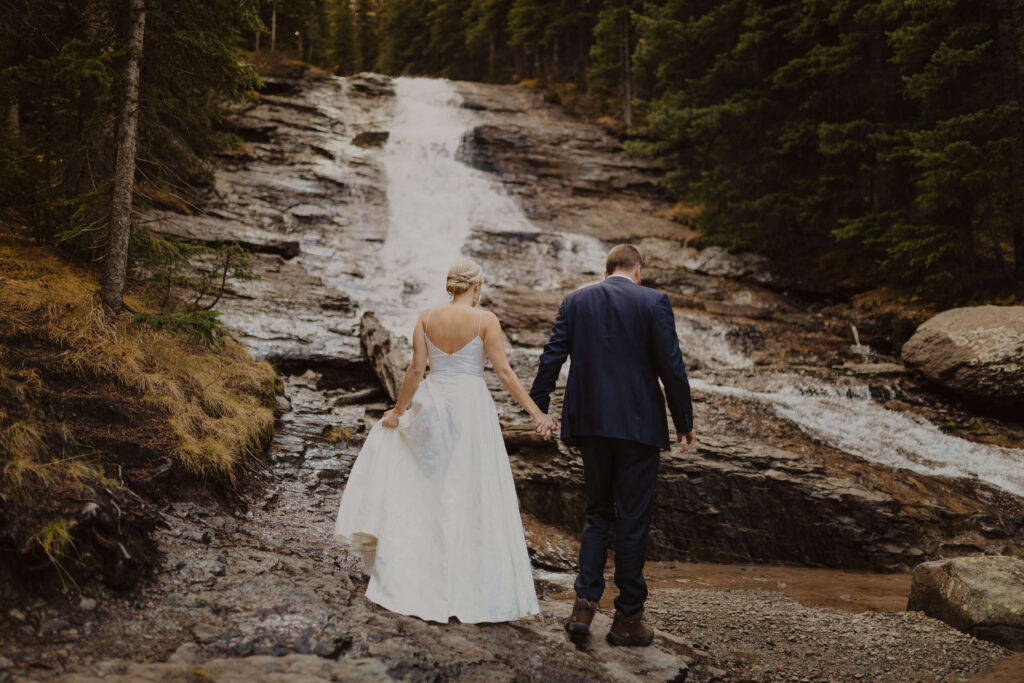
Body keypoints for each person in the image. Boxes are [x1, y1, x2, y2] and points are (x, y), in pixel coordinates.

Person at [334, 259, 555, 623]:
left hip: (434, 402)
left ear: (451, 285)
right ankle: (470, 579)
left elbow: (417, 369)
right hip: (471, 407)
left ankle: (421, 570)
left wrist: (398, 411)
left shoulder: (426, 317)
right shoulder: (486, 320)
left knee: (430, 486)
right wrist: (535, 413)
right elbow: (502, 371)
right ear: (477, 287)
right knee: (471, 488)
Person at [529, 244, 695, 647]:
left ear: (607, 271)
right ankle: (627, 619)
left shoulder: (575, 300)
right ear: (637, 271)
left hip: (589, 423)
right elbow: (671, 364)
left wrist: (539, 407)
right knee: (633, 518)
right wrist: (683, 422)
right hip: (638, 425)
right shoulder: (654, 301)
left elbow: (552, 356)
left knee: (597, 512)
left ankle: (583, 607)